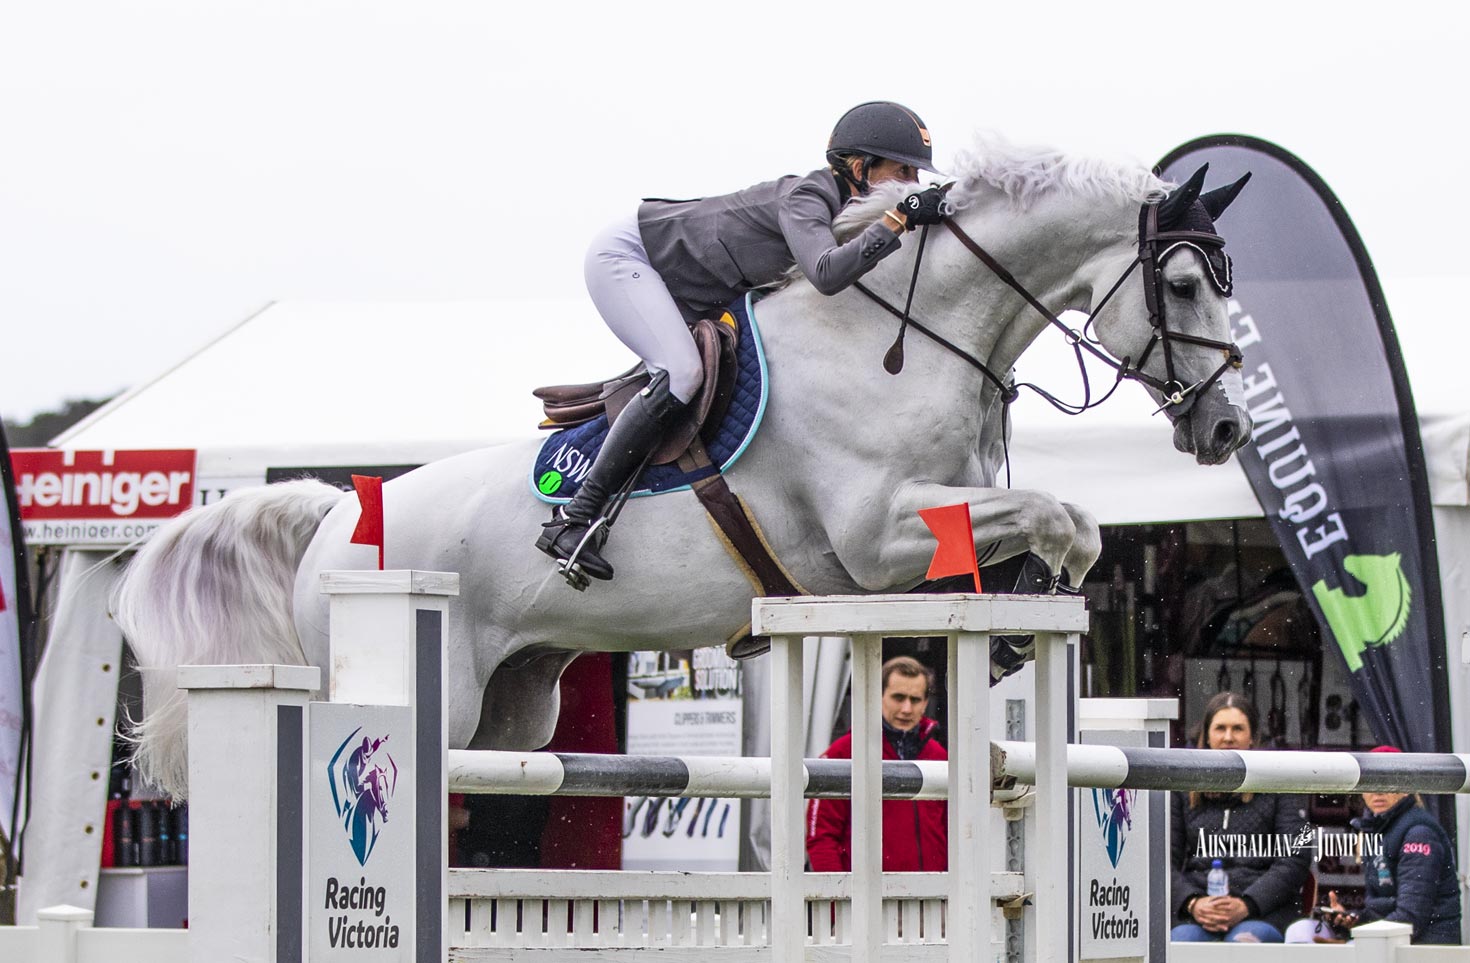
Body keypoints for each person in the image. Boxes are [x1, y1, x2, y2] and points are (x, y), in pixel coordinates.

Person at [537, 101, 948, 582]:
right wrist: (898, 219)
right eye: (902, 172)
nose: (911, 187)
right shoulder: (806, 196)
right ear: (859, 168)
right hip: (628, 257)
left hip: (688, 284)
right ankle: (575, 518)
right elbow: (827, 275)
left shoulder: (842, 204)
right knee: (683, 373)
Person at [1285, 746, 1462, 945]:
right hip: (1394, 943)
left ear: (1406, 787)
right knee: (1299, 932)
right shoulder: (1375, 829)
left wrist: (1353, 942)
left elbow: (1411, 918)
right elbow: (1380, 909)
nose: (1378, 790)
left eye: (1388, 781)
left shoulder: (1419, 833)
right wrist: (1352, 920)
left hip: (1426, 948)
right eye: (1371, 781)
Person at [1171, 692, 1311, 943]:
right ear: (1207, 736)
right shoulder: (1182, 786)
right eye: (1220, 728)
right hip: (1196, 914)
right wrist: (1192, 903)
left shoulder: (1281, 783)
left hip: (1264, 913)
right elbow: (1160, 861)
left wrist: (1247, 904)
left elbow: (1295, 859)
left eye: (1237, 728)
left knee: (1246, 942)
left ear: (1252, 737)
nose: (1228, 737)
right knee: (1181, 943)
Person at [806, 656, 947, 871]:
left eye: (915, 699)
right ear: (878, 696)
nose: (907, 708)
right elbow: (821, 837)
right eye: (898, 697)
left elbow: (957, 831)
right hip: (864, 899)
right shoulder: (844, 753)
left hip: (930, 899)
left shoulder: (939, 757)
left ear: (926, 703)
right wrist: (839, 901)